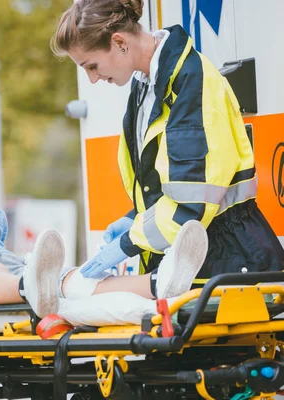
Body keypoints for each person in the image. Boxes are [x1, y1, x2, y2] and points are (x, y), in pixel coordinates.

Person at [0, 116, 209, 319]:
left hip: (4, 267)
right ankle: (30, 286)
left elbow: (0, 259)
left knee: (71, 277)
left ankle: (156, 283)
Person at [50, 0, 284, 282]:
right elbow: (166, 183)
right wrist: (134, 217)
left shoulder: (190, 81)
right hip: (197, 253)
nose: (92, 79)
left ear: (120, 42)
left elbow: (190, 202)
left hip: (229, 257)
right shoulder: (145, 86)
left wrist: (128, 241)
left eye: (92, 66)